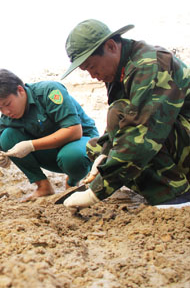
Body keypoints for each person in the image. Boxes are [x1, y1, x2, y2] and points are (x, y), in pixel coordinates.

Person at [61, 19, 190, 210]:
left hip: (176, 134)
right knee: (97, 148)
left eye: (92, 66)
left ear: (111, 46)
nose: (93, 75)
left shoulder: (147, 65)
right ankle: (157, 186)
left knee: (126, 132)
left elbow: (140, 132)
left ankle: (176, 194)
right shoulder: (119, 69)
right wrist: (104, 156)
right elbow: (121, 125)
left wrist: (96, 192)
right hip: (174, 139)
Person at [0, 69, 99, 201]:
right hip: (51, 153)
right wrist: (2, 158)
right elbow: (2, 146)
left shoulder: (49, 91)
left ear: (20, 90)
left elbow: (74, 131)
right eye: (0, 108)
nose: (6, 111)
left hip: (83, 144)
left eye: (7, 104)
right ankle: (43, 186)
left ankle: (72, 182)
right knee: (7, 136)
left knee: (71, 157)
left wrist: (31, 145)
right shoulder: (7, 116)